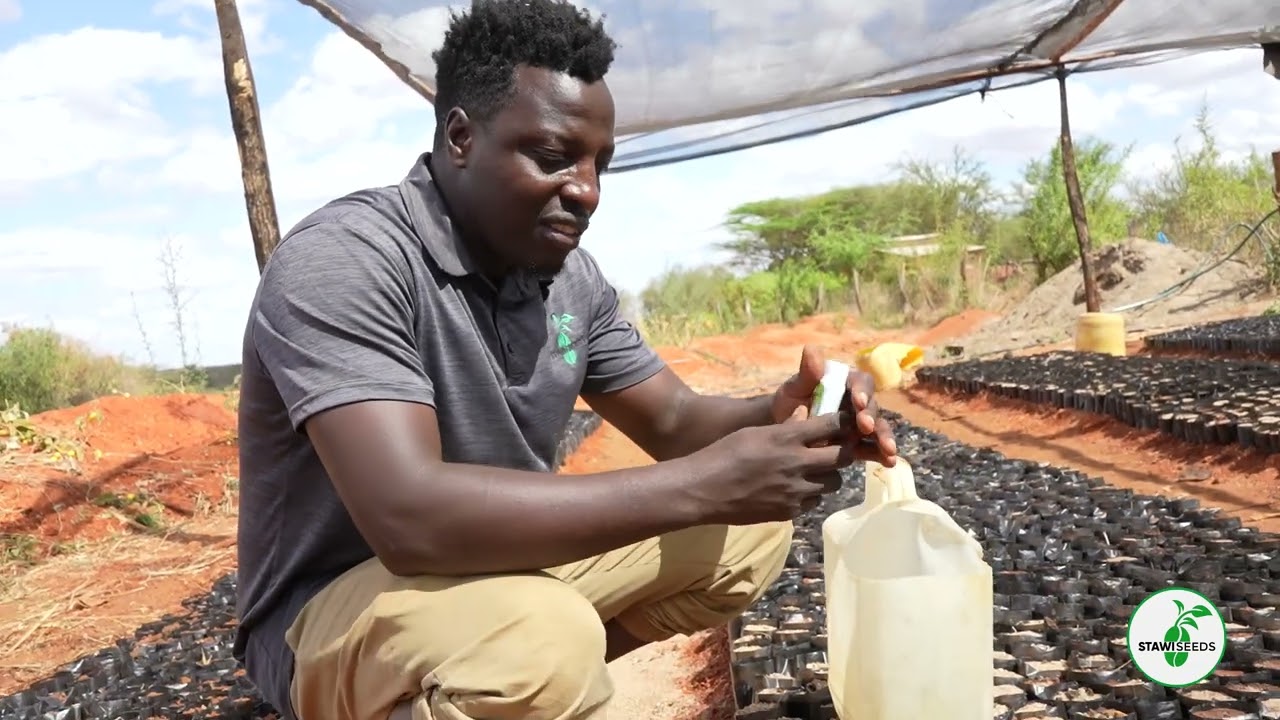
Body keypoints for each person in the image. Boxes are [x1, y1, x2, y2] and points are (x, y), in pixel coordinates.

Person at [232, 1, 898, 719]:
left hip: (494, 567)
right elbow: (409, 519)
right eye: (553, 158)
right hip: (334, 612)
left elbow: (674, 419)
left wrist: (781, 412)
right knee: (542, 636)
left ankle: (523, 684)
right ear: (461, 137)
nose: (587, 192)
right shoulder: (347, 260)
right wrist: (705, 484)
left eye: (598, 164)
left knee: (747, 532)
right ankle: (479, 683)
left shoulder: (568, 281)